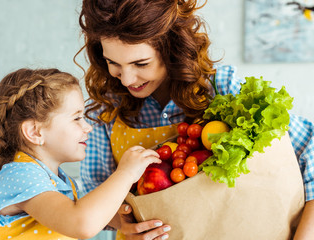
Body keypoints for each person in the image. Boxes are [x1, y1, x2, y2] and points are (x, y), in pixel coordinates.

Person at [76, 0, 314, 239]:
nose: (126, 79)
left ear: (171, 47)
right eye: (113, 63)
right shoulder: (105, 112)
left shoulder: (221, 89)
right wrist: (124, 224)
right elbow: (92, 196)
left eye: (141, 63)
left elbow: (310, 147)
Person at [0, 68, 162, 240]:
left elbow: (76, 214)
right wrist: (125, 173)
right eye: (76, 118)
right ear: (35, 132)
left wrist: (121, 223)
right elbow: (80, 223)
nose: (88, 127)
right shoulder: (21, 174)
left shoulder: (57, 183)